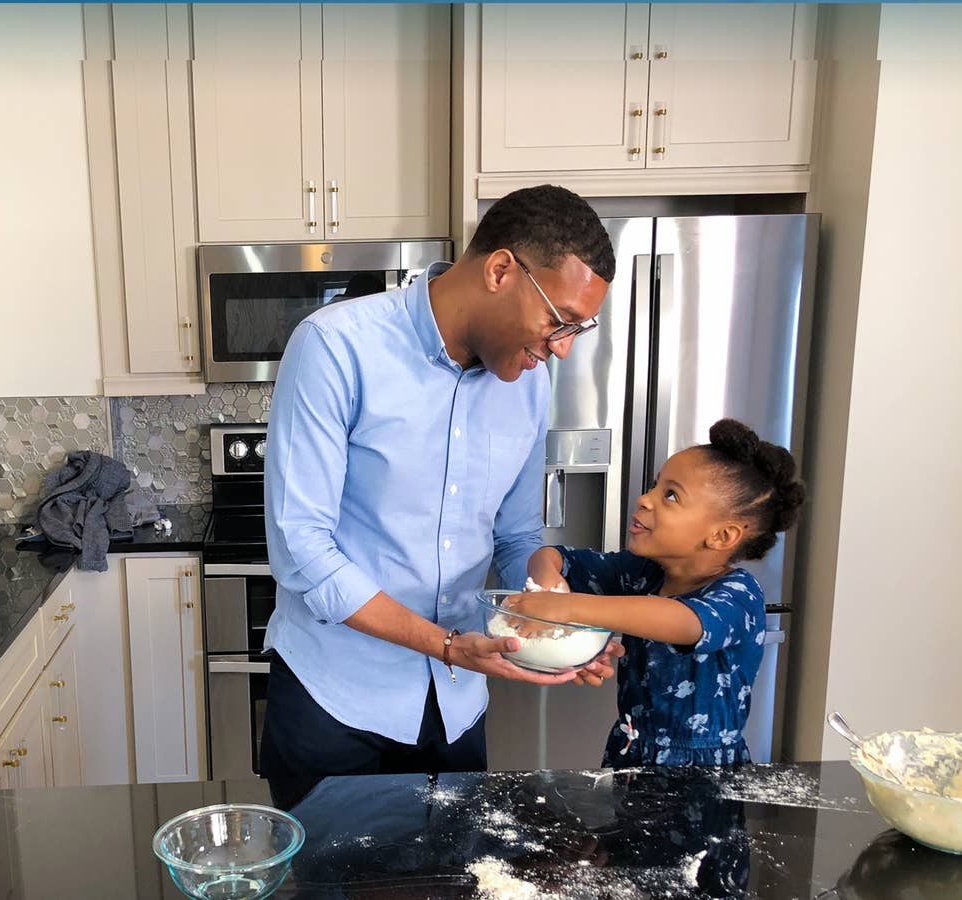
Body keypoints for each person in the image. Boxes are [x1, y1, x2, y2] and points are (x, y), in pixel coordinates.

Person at [261, 184, 620, 782]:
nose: (560, 349)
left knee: (461, 850)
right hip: (336, 700)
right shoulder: (336, 345)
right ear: (501, 271)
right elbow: (302, 548)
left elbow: (516, 536)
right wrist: (445, 644)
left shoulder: (529, 383)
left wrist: (557, 615)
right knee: (330, 851)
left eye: (576, 331)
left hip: (456, 703)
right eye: (559, 321)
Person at [509, 419, 807, 767]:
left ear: (722, 536)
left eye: (671, 495)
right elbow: (554, 557)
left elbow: (686, 621)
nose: (644, 499)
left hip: (705, 775)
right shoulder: (643, 572)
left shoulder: (740, 594)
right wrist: (548, 584)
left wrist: (567, 607)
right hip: (630, 756)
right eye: (655, 486)